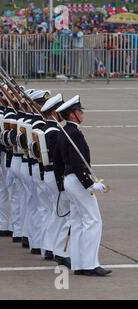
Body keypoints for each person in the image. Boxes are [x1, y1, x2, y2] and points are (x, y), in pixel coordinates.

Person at [53, 95, 112, 277]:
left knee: (78, 221)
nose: (82, 113)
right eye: (79, 111)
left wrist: (61, 184)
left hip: (69, 180)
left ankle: (78, 263)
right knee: (93, 220)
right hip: (78, 181)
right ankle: (89, 264)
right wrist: (90, 183)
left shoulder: (63, 133)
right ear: (72, 115)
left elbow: (57, 162)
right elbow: (78, 163)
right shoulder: (75, 134)